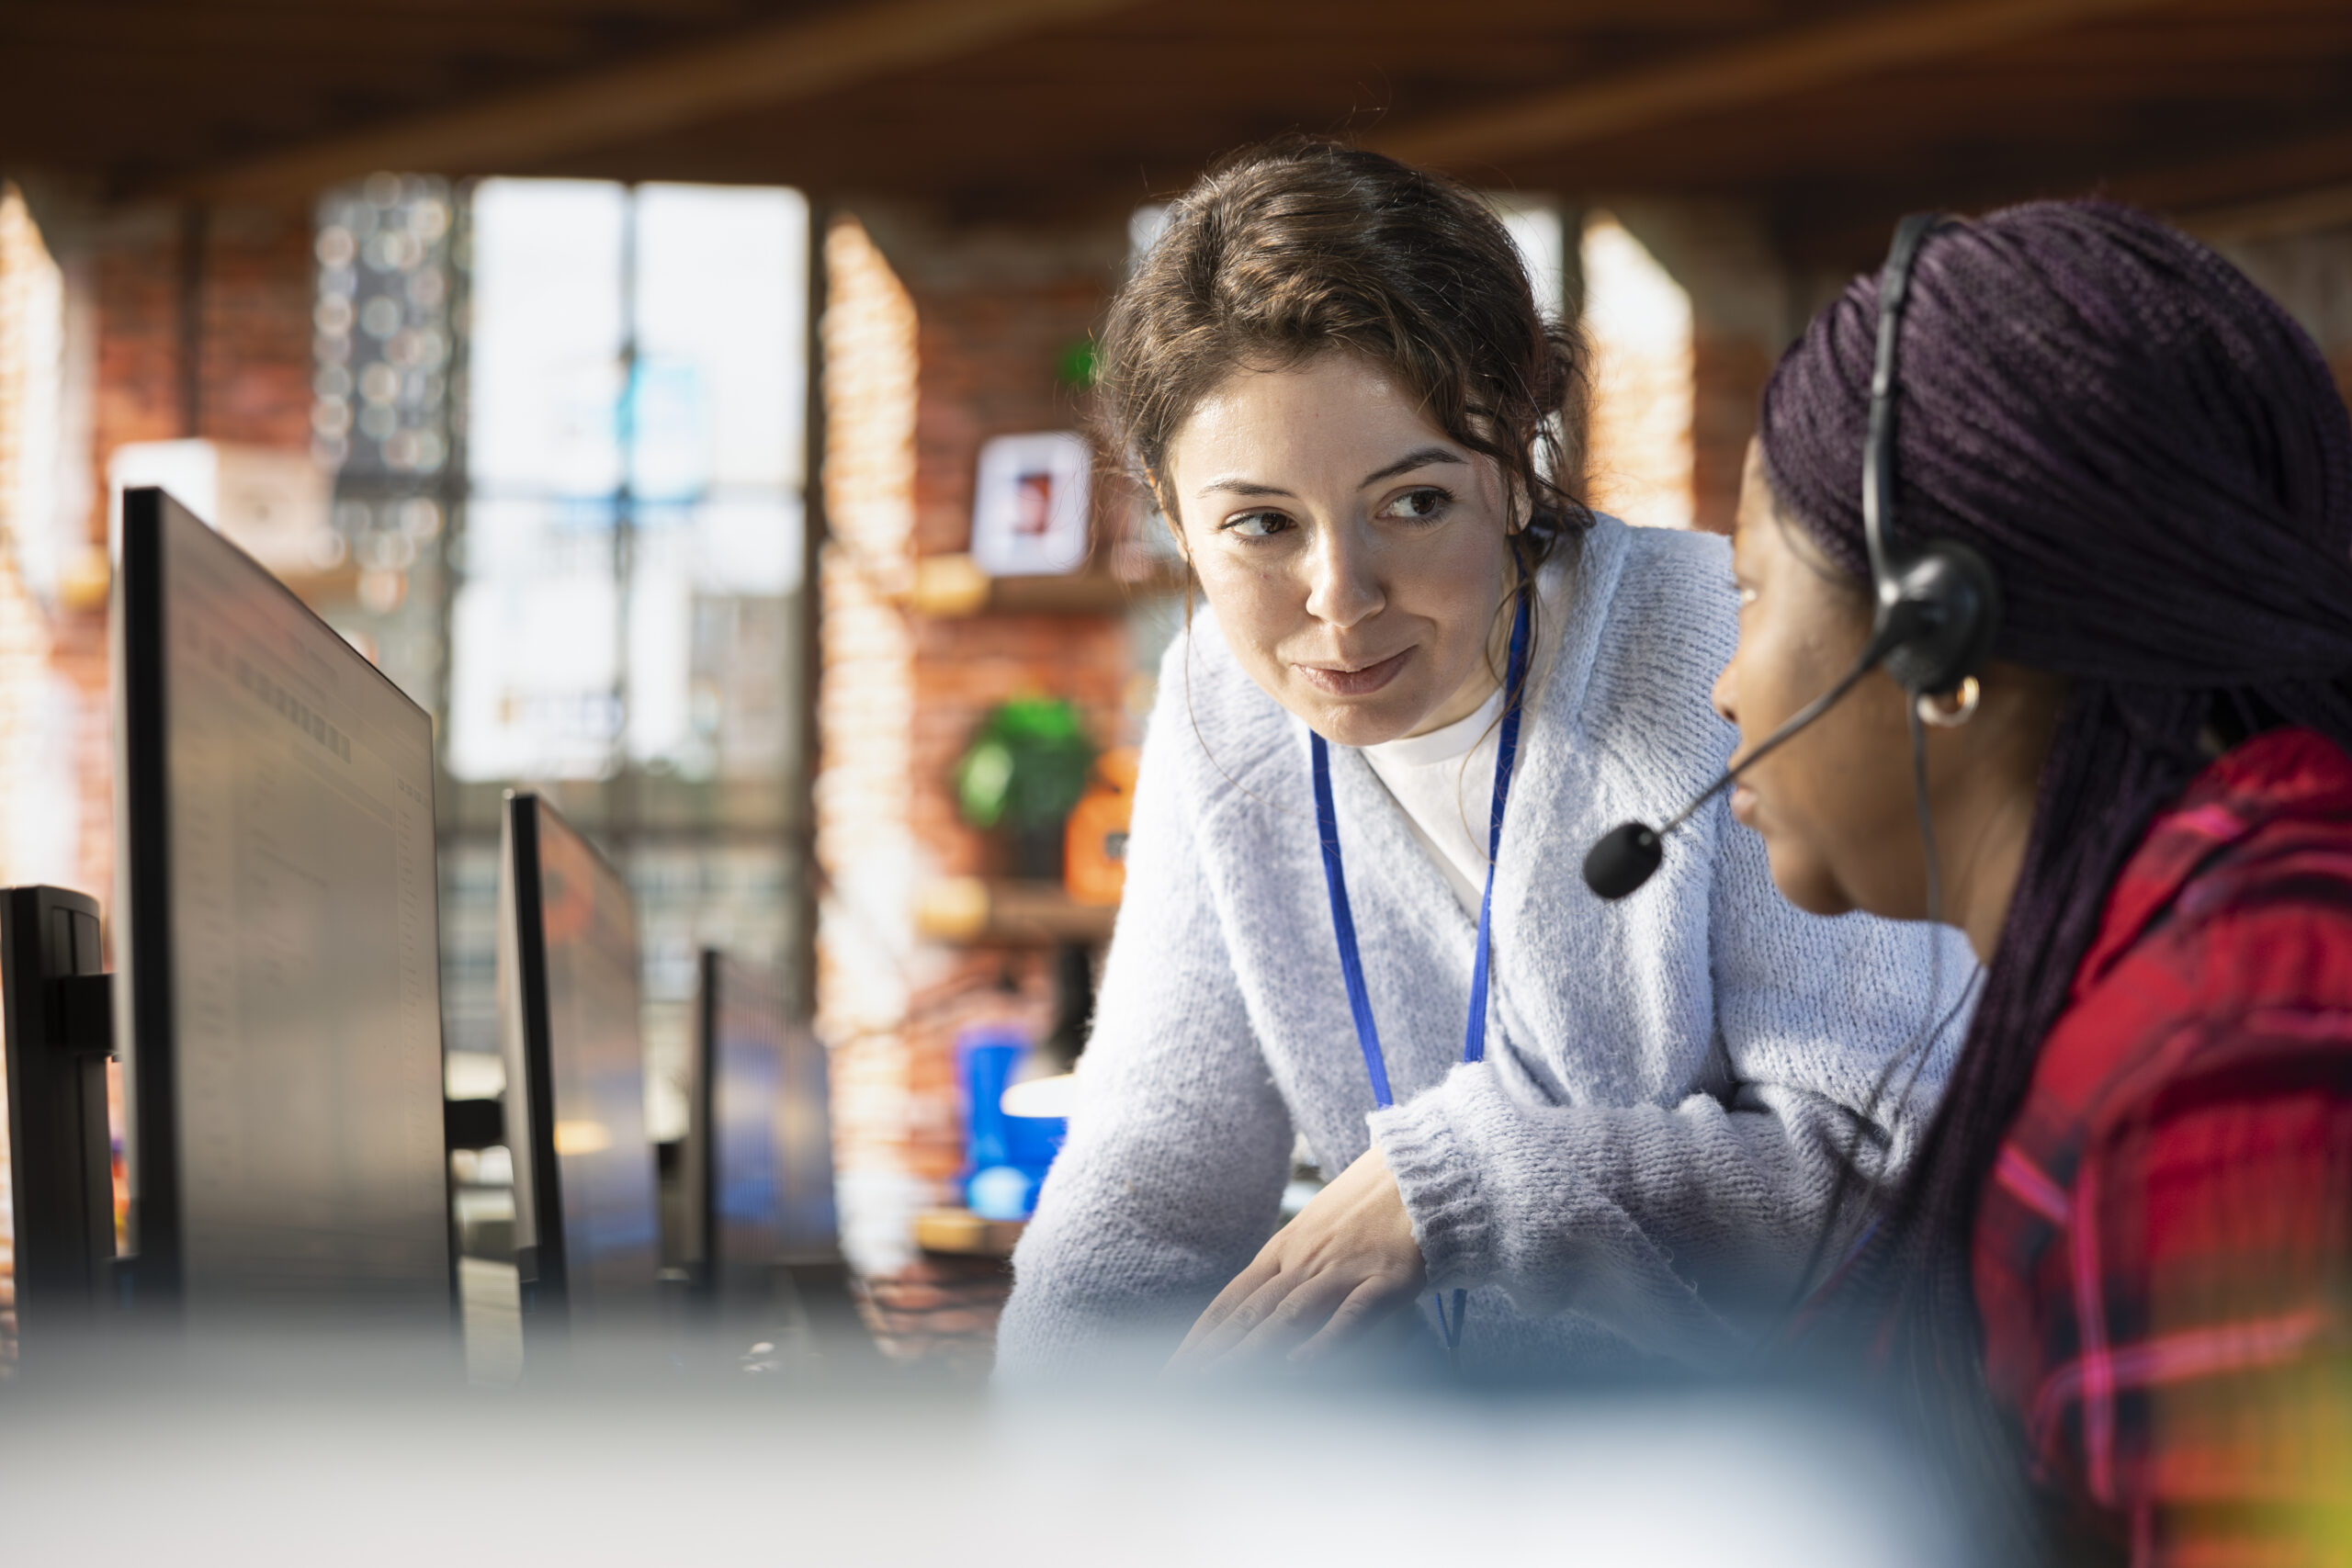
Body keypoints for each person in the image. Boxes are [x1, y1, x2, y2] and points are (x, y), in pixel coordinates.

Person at [993, 139, 1972, 1379]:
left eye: (1416, 503)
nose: (1339, 602)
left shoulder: (1732, 653)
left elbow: (1880, 1186)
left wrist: (1469, 1185)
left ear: (1515, 462)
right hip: (1476, 1489)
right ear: (1167, 512)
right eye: (1259, 525)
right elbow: (1145, 1196)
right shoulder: (1218, 705)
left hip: (1802, 1477)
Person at [1714, 199, 2352, 1562]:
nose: (1725, 687)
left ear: (1935, 628)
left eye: (1755, 593)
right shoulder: (2210, 949)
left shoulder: (2228, 1075)